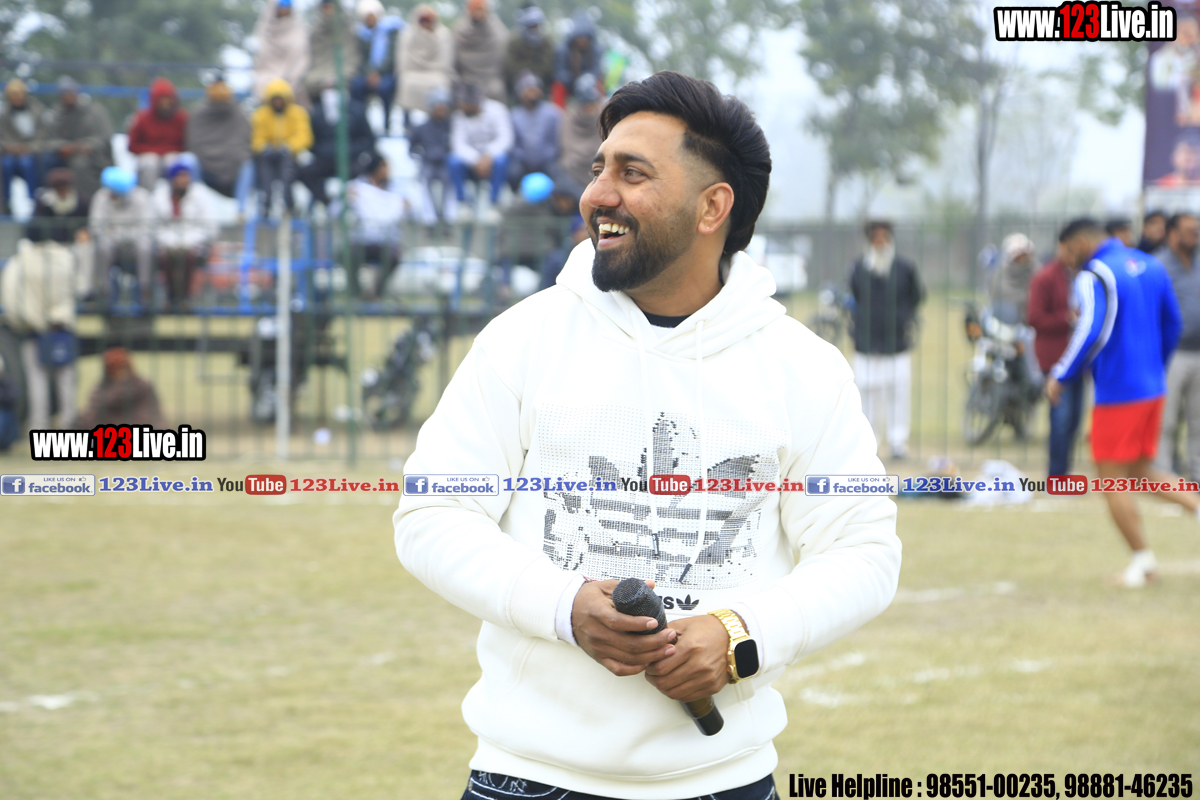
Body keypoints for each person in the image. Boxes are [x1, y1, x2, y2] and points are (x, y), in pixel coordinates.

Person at [394, 70, 900, 800]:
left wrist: (740, 634)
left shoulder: (802, 368)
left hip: (723, 780)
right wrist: (564, 606)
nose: (598, 195)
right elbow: (432, 513)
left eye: (633, 174)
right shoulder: (523, 339)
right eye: (598, 169)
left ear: (712, 206)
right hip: (527, 777)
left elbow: (864, 553)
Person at [1045, 218, 1200, 588]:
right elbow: (1173, 323)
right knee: (1142, 473)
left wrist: (1061, 373)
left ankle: (1143, 566)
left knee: (1112, 479)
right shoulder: (1151, 264)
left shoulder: (1095, 273)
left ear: (1080, 244)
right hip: (1151, 387)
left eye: (1067, 253)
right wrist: (1155, 366)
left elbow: (1091, 330)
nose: (1067, 262)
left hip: (1119, 392)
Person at [0, 196, 86, 431]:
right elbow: (79, 289)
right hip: (61, 329)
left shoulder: (20, 262)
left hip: (32, 330)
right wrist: (59, 315)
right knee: (65, 381)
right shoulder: (65, 258)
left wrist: (24, 321)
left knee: (37, 382)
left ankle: (39, 426)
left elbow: (10, 297)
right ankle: (68, 424)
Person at [848, 219, 924, 461]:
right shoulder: (860, 268)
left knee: (898, 392)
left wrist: (903, 318)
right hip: (867, 341)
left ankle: (898, 442)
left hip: (896, 342)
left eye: (884, 237)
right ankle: (870, 442)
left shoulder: (904, 267)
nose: (880, 242)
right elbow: (854, 296)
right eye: (875, 237)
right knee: (868, 392)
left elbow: (916, 296)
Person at [1028, 231, 1084, 479]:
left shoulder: (1082, 275)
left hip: (1078, 359)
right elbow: (1034, 317)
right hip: (1055, 360)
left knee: (1074, 420)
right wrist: (1067, 318)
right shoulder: (1045, 277)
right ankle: (1056, 475)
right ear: (1061, 246)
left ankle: (1065, 472)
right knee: (1061, 419)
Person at [1154, 213, 1200, 482]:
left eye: (1197, 230)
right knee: (1166, 421)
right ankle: (1163, 478)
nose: (1196, 234)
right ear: (1173, 233)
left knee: (1198, 422)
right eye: (1190, 230)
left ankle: (1197, 477)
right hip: (1172, 354)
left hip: (1199, 352)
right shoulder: (1159, 265)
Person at [298, 86, 376, 210]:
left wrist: (353, 151)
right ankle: (329, 204)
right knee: (306, 172)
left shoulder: (357, 110)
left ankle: (351, 205)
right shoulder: (317, 113)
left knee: (364, 172)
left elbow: (369, 139)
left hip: (351, 160)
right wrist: (325, 152)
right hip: (325, 160)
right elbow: (311, 141)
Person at [154, 162, 217, 309]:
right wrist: (170, 242)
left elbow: (210, 226)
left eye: (186, 176)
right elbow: (155, 227)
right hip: (167, 243)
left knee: (188, 255)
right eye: (180, 176)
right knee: (166, 256)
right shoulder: (159, 196)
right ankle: (170, 298)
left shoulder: (200, 195)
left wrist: (189, 241)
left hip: (195, 242)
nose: (184, 180)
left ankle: (186, 298)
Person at [89, 167, 154, 307]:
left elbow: (146, 227)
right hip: (112, 243)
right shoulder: (100, 197)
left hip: (135, 243)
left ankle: (145, 290)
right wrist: (116, 235)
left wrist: (120, 233)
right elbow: (96, 226)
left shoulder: (142, 197)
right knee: (102, 247)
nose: (109, 194)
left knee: (145, 247)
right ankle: (104, 292)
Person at [44, 76, 114, 203]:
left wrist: (88, 146)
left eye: (71, 92)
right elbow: (49, 140)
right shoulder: (56, 114)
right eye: (65, 93)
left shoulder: (94, 111)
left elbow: (104, 137)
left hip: (95, 156)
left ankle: (86, 204)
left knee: (80, 165)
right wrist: (63, 146)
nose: (68, 96)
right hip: (65, 156)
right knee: (44, 160)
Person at [347, 152, 406, 298]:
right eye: (384, 166)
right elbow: (335, 210)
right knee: (346, 254)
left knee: (394, 256)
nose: (387, 171)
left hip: (385, 241)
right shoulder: (357, 187)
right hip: (362, 240)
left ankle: (376, 294)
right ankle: (357, 294)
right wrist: (347, 198)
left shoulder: (395, 188)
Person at [251, 79, 313, 218]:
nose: (278, 103)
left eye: (280, 99)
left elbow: (304, 136)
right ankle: (266, 203)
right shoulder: (261, 114)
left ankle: (289, 203)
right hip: (268, 157)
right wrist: (265, 148)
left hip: (291, 157)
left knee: (287, 172)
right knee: (264, 170)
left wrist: (289, 147)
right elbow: (256, 138)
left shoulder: (297, 113)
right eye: (275, 100)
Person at [448, 82, 512, 215]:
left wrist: (488, 156)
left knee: (502, 160)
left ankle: (493, 204)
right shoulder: (459, 115)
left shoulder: (498, 110)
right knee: (453, 161)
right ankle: (463, 204)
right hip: (471, 162)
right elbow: (457, 144)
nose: (462, 107)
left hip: (492, 159)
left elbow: (506, 139)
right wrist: (475, 160)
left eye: (465, 104)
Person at [186, 74, 252, 201]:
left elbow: (245, 143)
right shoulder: (199, 113)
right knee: (189, 160)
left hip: (234, 172)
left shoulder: (238, 113)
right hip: (205, 172)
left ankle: (242, 209)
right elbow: (193, 144)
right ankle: (194, 204)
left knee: (249, 165)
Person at [395, 5, 455, 131]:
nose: (425, 23)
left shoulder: (444, 35)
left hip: (436, 74)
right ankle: (407, 125)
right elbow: (403, 62)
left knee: (441, 85)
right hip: (412, 73)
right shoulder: (407, 34)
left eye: (429, 20)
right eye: (423, 20)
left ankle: (439, 125)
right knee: (406, 83)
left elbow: (445, 63)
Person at [77, 347, 167, 429]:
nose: (119, 372)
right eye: (115, 367)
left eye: (121, 366)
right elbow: (89, 417)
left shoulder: (142, 386)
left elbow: (154, 418)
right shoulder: (100, 389)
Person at [126, 77, 188, 190]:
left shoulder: (182, 118)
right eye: (161, 100)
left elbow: (185, 144)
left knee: (174, 163)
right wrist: (155, 152)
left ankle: (175, 198)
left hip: (172, 156)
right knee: (150, 162)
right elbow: (132, 146)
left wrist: (165, 152)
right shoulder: (142, 118)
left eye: (168, 99)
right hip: (148, 157)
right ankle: (146, 197)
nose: (165, 103)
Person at [351, 0, 403, 133]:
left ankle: (387, 125)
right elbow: (360, 58)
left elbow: (392, 57)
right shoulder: (362, 35)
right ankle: (362, 125)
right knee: (356, 86)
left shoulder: (390, 31)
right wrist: (369, 73)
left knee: (386, 88)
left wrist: (378, 72)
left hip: (386, 73)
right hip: (367, 74)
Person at [0, 78, 49, 216]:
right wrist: (10, 148)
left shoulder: (37, 110)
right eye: (13, 95)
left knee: (27, 163)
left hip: (32, 151)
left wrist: (29, 148)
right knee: (6, 164)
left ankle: (33, 201)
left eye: (19, 94)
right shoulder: (3, 113)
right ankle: (6, 202)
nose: (17, 98)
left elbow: (43, 135)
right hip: (10, 152)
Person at [409, 87, 456, 225]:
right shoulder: (421, 128)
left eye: (443, 106)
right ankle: (429, 219)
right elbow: (411, 148)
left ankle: (448, 218)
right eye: (438, 106)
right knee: (424, 180)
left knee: (451, 179)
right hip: (428, 163)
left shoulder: (451, 126)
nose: (441, 110)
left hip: (445, 163)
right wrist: (421, 154)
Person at [506, 72, 560, 192]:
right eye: (529, 89)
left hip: (546, 159)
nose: (533, 93)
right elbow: (512, 143)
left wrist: (546, 156)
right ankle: (517, 197)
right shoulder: (514, 115)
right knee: (513, 172)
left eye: (535, 89)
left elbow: (556, 140)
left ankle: (555, 199)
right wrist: (523, 157)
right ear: (520, 93)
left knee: (557, 171)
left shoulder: (553, 113)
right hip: (523, 160)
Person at [253, 0, 311, 107]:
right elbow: (262, 57)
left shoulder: (297, 28)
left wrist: (290, 76)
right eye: (282, 6)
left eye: (287, 6)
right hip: (268, 73)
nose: (284, 9)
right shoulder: (266, 28)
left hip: (292, 75)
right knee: (263, 88)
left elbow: (301, 55)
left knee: (297, 91)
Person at [553, 73, 604, 195]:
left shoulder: (605, 117)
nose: (591, 108)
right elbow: (566, 147)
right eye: (587, 104)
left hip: (601, 169)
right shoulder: (569, 118)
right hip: (573, 170)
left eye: (593, 103)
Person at [305, 0, 363, 102]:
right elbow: (312, 59)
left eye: (331, 7)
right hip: (320, 73)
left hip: (343, 73)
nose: (329, 11)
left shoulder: (347, 28)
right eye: (326, 8)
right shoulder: (315, 32)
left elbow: (352, 58)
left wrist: (339, 77)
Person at [453, 0, 508, 103]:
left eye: (480, 9)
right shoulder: (460, 31)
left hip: (490, 79)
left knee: (496, 90)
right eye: (475, 9)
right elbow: (454, 62)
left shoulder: (498, 30)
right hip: (467, 79)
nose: (478, 13)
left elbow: (502, 60)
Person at [505, 5, 555, 102]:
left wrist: (536, 80)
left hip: (542, 81)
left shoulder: (546, 42)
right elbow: (511, 67)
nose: (535, 30)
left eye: (537, 26)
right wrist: (527, 76)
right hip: (518, 81)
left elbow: (548, 66)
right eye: (531, 26)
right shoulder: (514, 42)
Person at [551, 11, 601, 107]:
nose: (583, 40)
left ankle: (600, 109)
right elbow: (559, 72)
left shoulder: (595, 51)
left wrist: (586, 78)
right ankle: (557, 111)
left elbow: (596, 70)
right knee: (558, 86)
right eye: (580, 37)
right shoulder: (564, 50)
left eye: (585, 37)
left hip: (589, 83)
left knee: (599, 84)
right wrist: (573, 79)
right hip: (569, 84)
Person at [989, 232, 1037, 323]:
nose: (1025, 259)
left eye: (1026, 255)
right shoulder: (1001, 273)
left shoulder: (1036, 269)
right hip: (1008, 320)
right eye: (1021, 256)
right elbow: (1005, 293)